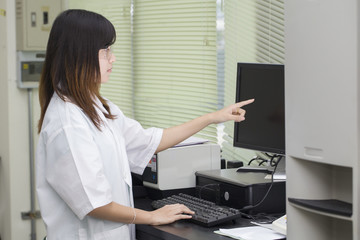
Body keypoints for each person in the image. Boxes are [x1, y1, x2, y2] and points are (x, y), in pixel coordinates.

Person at [36, 9, 254, 240]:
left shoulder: (96, 105)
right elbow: (94, 204)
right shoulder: (68, 124)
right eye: (106, 51)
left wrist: (213, 117)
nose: (113, 58)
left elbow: (150, 141)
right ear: (80, 55)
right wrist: (152, 216)